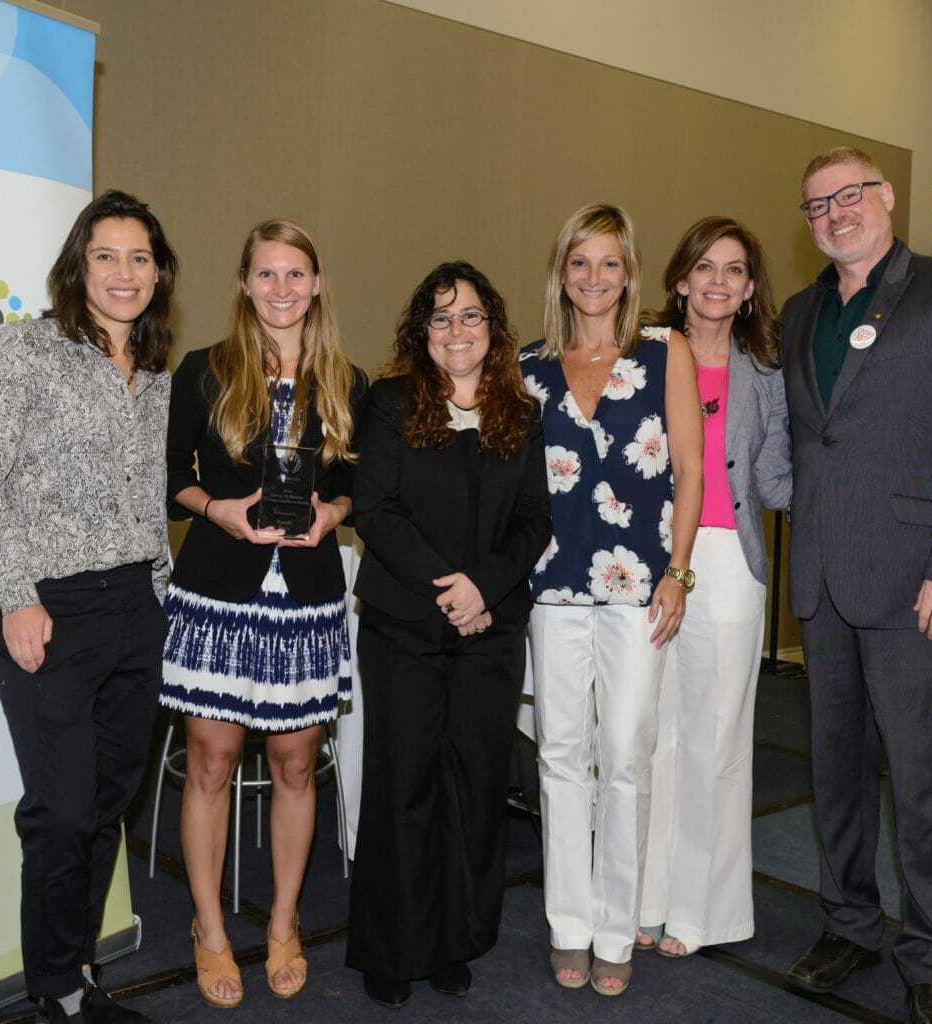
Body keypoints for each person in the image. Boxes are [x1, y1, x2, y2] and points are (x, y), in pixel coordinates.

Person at [781, 147, 932, 1024]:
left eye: (850, 194)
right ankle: (850, 923)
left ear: (887, 197)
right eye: (817, 204)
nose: (835, 213)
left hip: (918, 588)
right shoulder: (799, 311)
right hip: (824, 581)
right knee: (836, 775)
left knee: (928, 783)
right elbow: (806, 442)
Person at [0, 191, 177, 1024]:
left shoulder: (156, 375)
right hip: (48, 605)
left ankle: (79, 971)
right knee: (58, 812)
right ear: (76, 265)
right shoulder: (21, 351)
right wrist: (16, 594)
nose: (125, 273)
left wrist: (159, 595)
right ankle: (52, 990)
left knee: (105, 802)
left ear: (159, 273)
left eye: (140, 258)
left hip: (135, 602)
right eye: (106, 256)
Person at [159, 220, 366, 1008]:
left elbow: (356, 487)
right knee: (210, 766)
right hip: (218, 597)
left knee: (293, 768)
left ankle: (283, 923)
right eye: (267, 275)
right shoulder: (203, 372)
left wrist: (331, 512)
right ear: (244, 283)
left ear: (316, 285)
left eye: (297, 275)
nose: (282, 290)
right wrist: (218, 511)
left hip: (306, 598)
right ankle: (209, 930)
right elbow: (172, 476)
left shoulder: (348, 382)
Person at [345, 261, 550, 1009]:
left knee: (473, 786)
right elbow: (377, 509)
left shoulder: (520, 413)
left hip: (491, 630)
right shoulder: (393, 401)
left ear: (492, 329)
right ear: (420, 332)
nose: (457, 331)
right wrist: (450, 589)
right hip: (405, 625)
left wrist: (484, 588)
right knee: (405, 785)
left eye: (471, 316)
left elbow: (535, 519)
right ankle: (393, 947)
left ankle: (454, 939)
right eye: (441, 318)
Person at [520, 203, 703, 996]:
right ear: (562, 272)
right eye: (579, 263)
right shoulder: (525, 366)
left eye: (609, 263)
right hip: (552, 587)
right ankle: (568, 922)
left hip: (640, 593)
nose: (594, 278)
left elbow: (692, 472)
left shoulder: (667, 351)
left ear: (629, 272)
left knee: (626, 755)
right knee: (560, 755)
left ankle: (614, 925)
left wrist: (679, 572)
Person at [636, 217, 791, 957]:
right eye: (705, 267)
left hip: (728, 566)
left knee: (715, 742)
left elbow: (776, 477)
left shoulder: (767, 371)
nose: (719, 281)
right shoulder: (641, 354)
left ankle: (702, 910)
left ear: (751, 288)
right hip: (643, 559)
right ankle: (644, 896)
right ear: (679, 279)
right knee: (650, 735)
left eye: (735, 270)